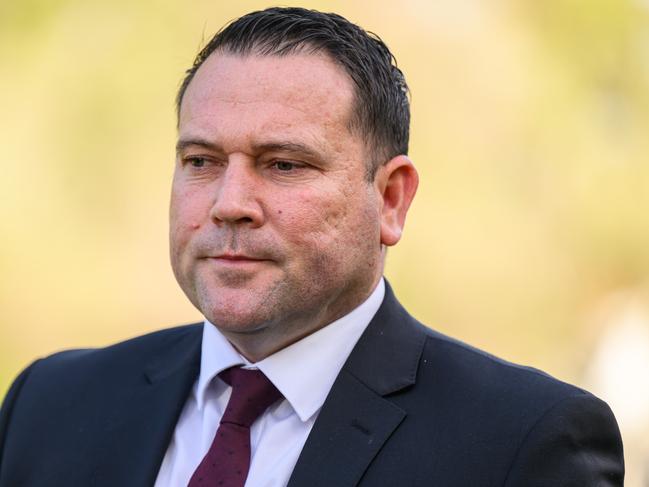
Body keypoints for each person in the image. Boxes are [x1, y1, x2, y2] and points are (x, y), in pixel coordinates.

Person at [0, 7, 624, 487]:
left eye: (283, 164)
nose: (229, 202)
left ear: (390, 200)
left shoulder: (521, 443)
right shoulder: (51, 405)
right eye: (201, 160)